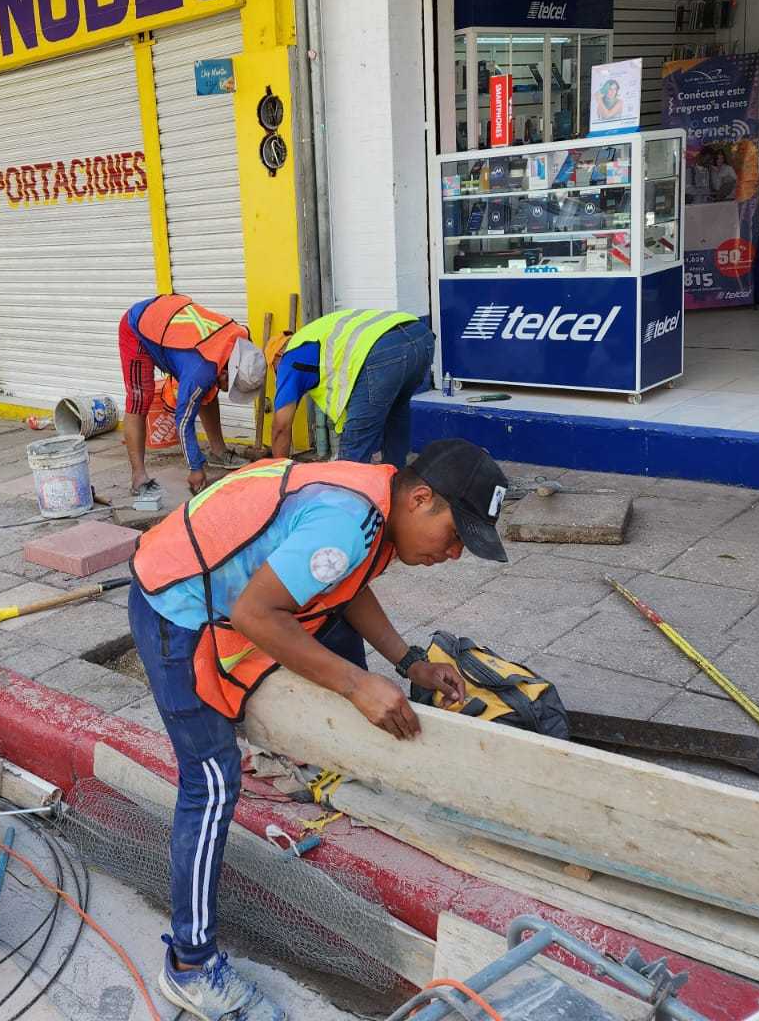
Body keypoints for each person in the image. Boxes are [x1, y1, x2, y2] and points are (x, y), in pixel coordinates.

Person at [128, 438, 508, 1021]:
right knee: (212, 781)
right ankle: (189, 966)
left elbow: (345, 587)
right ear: (421, 499)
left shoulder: (378, 506)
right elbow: (255, 614)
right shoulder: (347, 520)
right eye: (455, 535)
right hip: (175, 603)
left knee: (324, 647)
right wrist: (356, 685)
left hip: (217, 589)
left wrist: (408, 661)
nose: (454, 554)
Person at [120, 293, 265, 501]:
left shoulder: (241, 342)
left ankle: (218, 452)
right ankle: (138, 477)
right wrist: (195, 468)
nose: (227, 390)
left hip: (171, 318)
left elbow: (210, 381)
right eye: (230, 385)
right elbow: (183, 421)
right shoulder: (200, 369)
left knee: (207, 387)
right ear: (227, 372)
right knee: (139, 399)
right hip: (139, 326)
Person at [266, 309, 435, 468]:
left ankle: (347, 489)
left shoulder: (289, 358)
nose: (278, 376)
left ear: (278, 355)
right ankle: (396, 479)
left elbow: (281, 427)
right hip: (421, 336)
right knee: (396, 416)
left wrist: (279, 473)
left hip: (383, 352)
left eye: (275, 368)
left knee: (355, 447)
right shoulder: (315, 334)